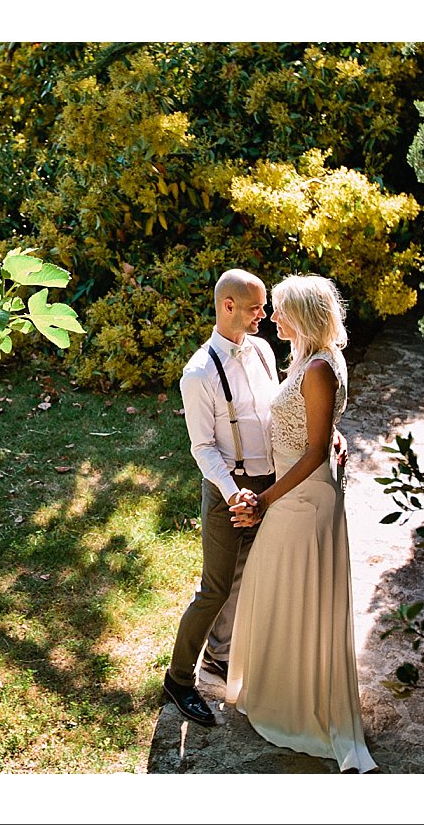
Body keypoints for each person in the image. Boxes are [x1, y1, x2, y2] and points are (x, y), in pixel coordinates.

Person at [224, 274, 377, 773]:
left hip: (303, 500)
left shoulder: (319, 368)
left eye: (281, 309)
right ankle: (276, 690)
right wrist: (337, 437)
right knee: (280, 590)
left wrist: (264, 499)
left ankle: (298, 706)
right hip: (302, 489)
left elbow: (313, 449)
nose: (272, 316)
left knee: (292, 591)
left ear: (305, 316)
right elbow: (323, 431)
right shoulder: (311, 359)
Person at [162, 269, 279, 727]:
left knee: (248, 578)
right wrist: (234, 497)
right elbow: (203, 447)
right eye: (256, 308)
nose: (264, 315)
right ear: (228, 306)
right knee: (214, 589)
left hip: (270, 485)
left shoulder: (265, 352)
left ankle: (220, 656)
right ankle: (178, 679)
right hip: (228, 490)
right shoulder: (199, 373)